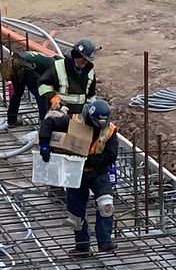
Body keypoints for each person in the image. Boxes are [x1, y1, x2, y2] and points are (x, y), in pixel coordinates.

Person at [41, 92, 120, 257]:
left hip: (97, 172)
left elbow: (111, 155)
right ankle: (82, 247)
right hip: (75, 173)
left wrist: (89, 160)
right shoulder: (75, 120)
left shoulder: (110, 131)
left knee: (106, 205)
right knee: (75, 215)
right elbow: (49, 122)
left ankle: (105, 241)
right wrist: (44, 143)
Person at [6, 39, 95, 129]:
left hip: (15, 61)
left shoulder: (49, 62)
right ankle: (43, 123)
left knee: (17, 93)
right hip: (24, 65)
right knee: (41, 94)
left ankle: (12, 119)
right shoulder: (55, 66)